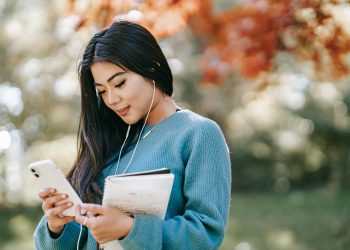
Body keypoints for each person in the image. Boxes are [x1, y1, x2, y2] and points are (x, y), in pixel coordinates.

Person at [33, 20, 231, 250]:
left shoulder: (198, 134)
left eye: (120, 83)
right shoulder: (109, 141)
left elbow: (205, 235)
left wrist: (130, 229)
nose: (111, 99)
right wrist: (57, 226)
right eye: (102, 91)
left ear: (152, 66)